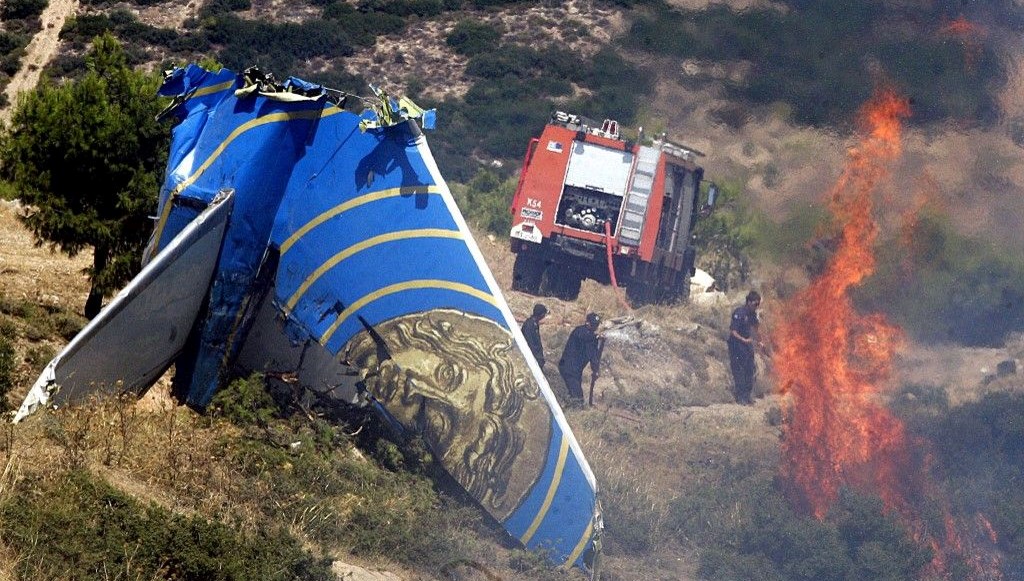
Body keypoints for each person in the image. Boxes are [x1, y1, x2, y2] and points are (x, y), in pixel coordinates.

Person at [559, 312, 602, 404]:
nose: (596, 327)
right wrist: (596, 337)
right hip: (569, 368)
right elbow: (586, 339)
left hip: (575, 369)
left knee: (576, 394)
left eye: (596, 325)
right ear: (587, 323)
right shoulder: (582, 333)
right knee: (577, 399)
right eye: (594, 325)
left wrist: (595, 370)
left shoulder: (589, 336)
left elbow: (593, 355)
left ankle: (567, 404)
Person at [728, 290, 762, 405]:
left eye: (758, 304)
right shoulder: (740, 313)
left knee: (750, 369)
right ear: (748, 302)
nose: (756, 307)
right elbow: (733, 331)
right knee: (739, 371)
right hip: (736, 345)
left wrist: (759, 341)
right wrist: (744, 340)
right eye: (755, 304)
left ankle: (747, 396)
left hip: (746, 345)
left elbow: (756, 328)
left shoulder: (752, 315)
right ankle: (741, 397)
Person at [521, 303, 547, 368]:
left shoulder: (535, 324)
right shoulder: (529, 325)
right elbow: (529, 342)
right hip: (531, 356)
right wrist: (536, 357)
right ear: (541, 314)